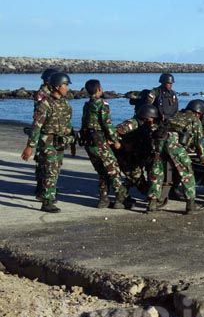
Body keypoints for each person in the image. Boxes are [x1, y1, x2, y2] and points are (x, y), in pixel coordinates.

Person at [21, 72, 75, 213]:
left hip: (61, 142)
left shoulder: (65, 103)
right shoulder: (44, 104)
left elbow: (68, 125)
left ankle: (48, 195)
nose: (67, 88)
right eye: (65, 85)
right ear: (57, 86)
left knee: (56, 170)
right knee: (50, 171)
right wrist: (29, 147)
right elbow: (36, 126)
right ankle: (47, 201)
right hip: (47, 142)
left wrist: (72, 141)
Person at [145, 100, 204, 214]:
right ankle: (191, 205)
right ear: (198, 112)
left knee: (157, 172)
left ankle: (152, 203)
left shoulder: (175, 115)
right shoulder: (194, 120)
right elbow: (198, 141)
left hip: (159, 142)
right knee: (187, 173)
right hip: (174, 144)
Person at [80, 79, 129, 209]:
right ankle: (120, 199)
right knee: (113, 170)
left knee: (102, 172)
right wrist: (116, 140)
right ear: (98, 90)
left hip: (89, 143)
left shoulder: (87, 105)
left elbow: (83, 124)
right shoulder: (102, 104)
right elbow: (107, 124)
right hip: (100, 142)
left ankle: (103, 199)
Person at [116, 104, 159, 198]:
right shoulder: (132, 124)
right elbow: (114, 133)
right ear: (147, 117)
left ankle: (123, 194)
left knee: (135, 178)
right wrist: (122, 145)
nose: (153, 121)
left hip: (136, 155)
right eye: (152, 118)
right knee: (140, 182)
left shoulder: (145, 125)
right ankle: (121, 197)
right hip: (126, 157)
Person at [32, 68, 59, 199]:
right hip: (43, 132)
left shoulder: (49, 92)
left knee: (46, 163)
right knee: (42, 162)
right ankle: (41, 189)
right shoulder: (42, 94)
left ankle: (46, 187)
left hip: (48, 132)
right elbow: (41, 114)